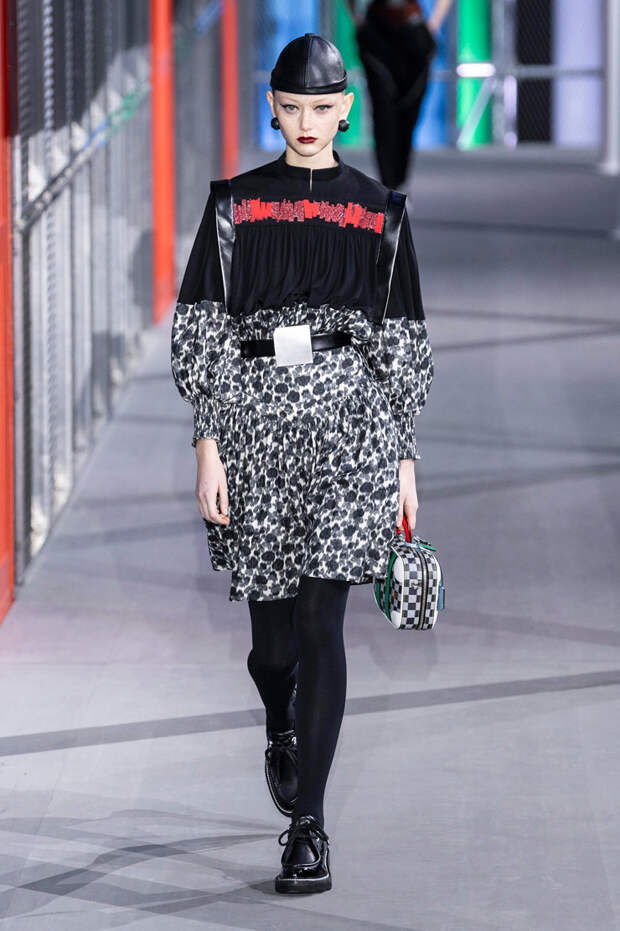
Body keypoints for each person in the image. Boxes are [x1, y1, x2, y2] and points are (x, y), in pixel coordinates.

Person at [171, 32, 433, 894]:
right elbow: (201, 332)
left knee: (324, 622)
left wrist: (403, 457)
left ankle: (309, 826)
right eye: (294, 108)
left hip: (353, 428)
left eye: (324, 107)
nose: (309, 122)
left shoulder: (381, 211)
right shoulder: (233, 207)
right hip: (255, 429)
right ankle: (279, 715)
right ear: (274, 109)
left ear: (346, 108)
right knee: (273, 641)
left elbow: (401, 343)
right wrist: (207, 442)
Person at [346, 0, 455, 187]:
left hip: (412, 31)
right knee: (383, 112)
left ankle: (400, 180)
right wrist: (356, 19)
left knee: (409, 112)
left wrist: (433, 25)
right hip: (378, 32)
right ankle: (389, 185)